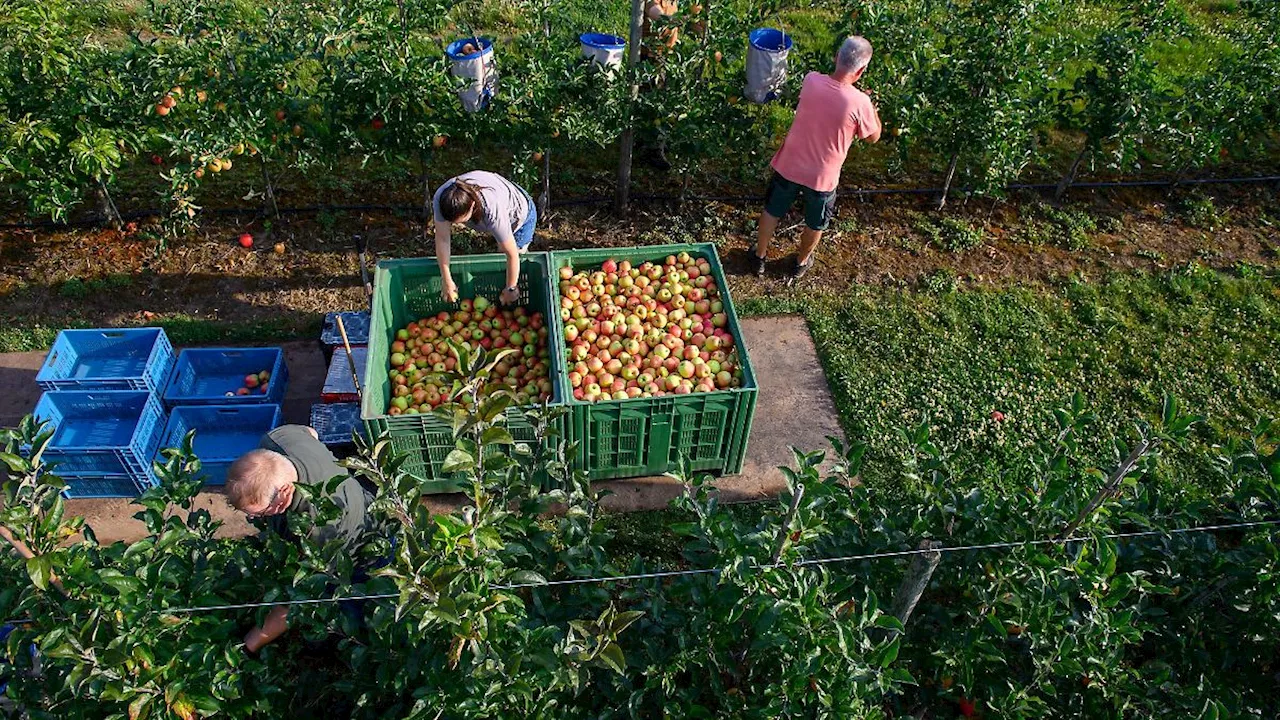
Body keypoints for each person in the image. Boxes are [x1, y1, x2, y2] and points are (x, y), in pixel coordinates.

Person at [224, 424, 377, 653]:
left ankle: (365, 647)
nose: (252, 518)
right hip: (360, 496)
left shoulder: (319, 526)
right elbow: (310, 433)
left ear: (285, 493)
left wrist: (250, 644)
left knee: (351, 611)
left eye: (260, 513)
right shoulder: (279, 441)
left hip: (364, 543)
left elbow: (298, 595)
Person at [751, 36, 882, 280]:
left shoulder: (811, 80)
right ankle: (800, 262)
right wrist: (872, 107)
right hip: (822, 178)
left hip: (789, 165)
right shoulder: (860, 103)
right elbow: (873, 136)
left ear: (836, 58)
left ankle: (759, 257)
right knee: (815, 223)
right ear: (862, 70)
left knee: (772, 210)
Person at [433, 170, 537, 306]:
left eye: (460, 221)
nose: (454, 225)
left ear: (472, 206)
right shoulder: (442, 198)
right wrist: (446, 279)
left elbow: (512, 255)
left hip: (521, 213)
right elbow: (442, 239)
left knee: (507, 257)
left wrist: (510, 288)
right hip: (499, 193)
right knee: (502, 251)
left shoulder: (492, 211)